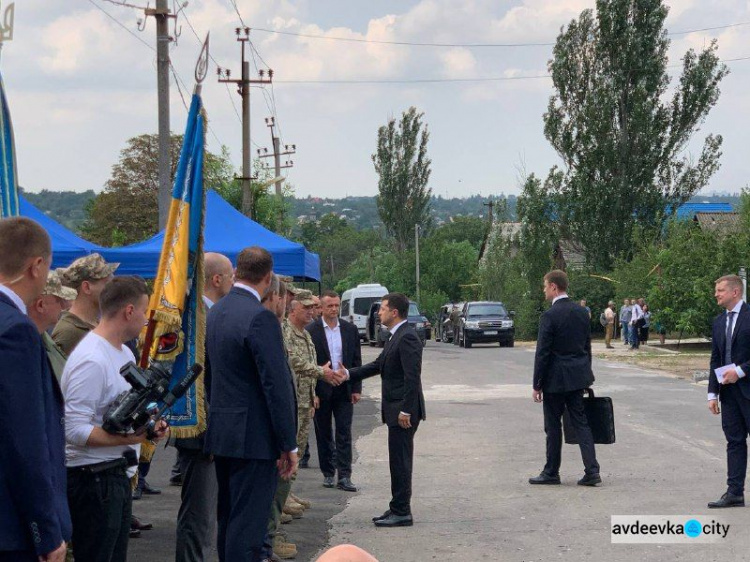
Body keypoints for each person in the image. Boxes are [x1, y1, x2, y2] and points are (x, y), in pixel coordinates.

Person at [62, 276, 168, 562]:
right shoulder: (91, 358)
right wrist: (133, 438)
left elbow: (128, 409)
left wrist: (149, 424)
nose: (146, 321)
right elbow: (74, 429)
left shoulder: (122, 352)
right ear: (129, 311)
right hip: (93, 480)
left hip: (114, 476)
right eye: (145, 312)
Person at [204, 247, 298, 562]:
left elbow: (211, 376)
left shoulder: (216, 311)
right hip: (255, 438)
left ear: (238, 271)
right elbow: (276, 385)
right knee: (249, 528)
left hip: (223, 433)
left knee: (229, 519)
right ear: (268, 277)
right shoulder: (260, 318)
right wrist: (288, 443)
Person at [0, 217, 70, 562]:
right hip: (11, 528)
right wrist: (45, 530)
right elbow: (24, 439)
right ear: (36, 265)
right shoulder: (16, 330)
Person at [338, 293, 426, 527]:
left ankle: (402, 512)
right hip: (396, 410)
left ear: (394, 312)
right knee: (396, 461)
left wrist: (407, 410)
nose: (379, 312)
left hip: (403, 413)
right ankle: (397, 506)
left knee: (401, 462)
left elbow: (412, 377)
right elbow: (378, 365)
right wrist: (347, 374)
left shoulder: (407, 337)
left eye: (383, 309)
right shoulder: (394, 336)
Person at [172, 252, 233, 562]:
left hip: (210, 428)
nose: (234, 283)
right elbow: (199, 379)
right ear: (217, 279)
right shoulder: (195, 319)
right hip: (200, 430)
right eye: (231, 277)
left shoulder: (209, 316)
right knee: (198, 513)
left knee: (206, 513)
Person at [529, 270, 600, 487]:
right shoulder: (581, 312)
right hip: (577, 378)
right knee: (581, 423)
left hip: (555, 381)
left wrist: (537, 384)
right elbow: (586, 347)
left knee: (552, 426)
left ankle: (552, 471)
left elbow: (543, 352)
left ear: (554, 287)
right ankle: (592, 471)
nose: (543, 290)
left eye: (545, 286)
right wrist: (586, 375)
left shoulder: (549, 316)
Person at [307, 290, 363, 492]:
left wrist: (356, 387)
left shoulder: (349, 329)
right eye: (329, 305)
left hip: (344, 387)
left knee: (344, 432)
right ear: (320, 308)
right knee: (323, 433)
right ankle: (328, 473)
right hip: (321, 389)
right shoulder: (311, 330)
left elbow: (356, 359)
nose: (333, 309)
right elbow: (308, 364)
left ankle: (345, 475)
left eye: (336, 305)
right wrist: (312, 392)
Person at [707, 274, 750, 508]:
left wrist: (741, 371)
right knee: (734, 442)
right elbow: (716, 359)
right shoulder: (718, 322)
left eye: (721, 290)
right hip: (729, 393)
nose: (716, 294)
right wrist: (712, 393)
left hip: (748, 388)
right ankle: (734, 492)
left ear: (735, 292)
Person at [52, 253, 119, 355]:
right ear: (87, 287)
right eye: (106, 283)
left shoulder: (96, 325)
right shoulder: (69, 333)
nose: (113, 289)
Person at [27, 270, 77, 382]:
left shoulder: (43, 337)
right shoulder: (24, 345)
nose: (63, 307)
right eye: (59, 300)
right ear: (40, 305)